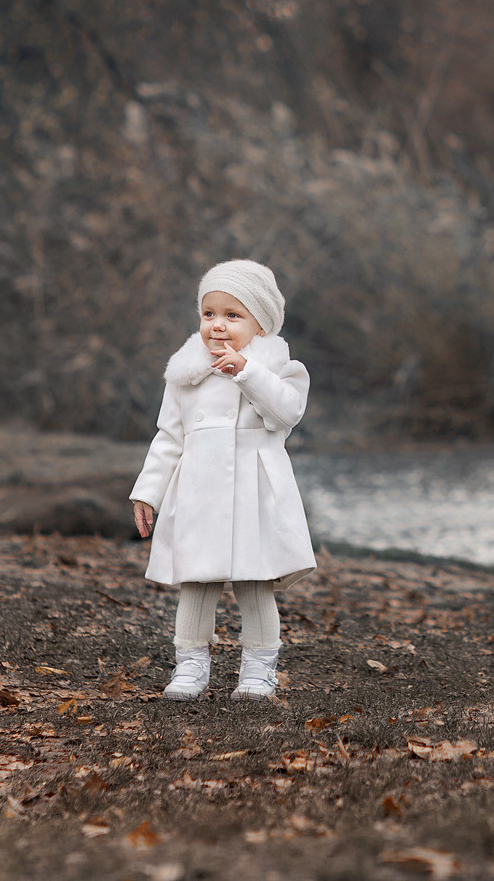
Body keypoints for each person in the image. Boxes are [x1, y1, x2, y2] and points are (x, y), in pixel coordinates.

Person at [130, 260, 316, 700]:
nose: (217, 325)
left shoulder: (279, 369)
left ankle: (258, 670)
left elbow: (286, 414)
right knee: (197, 582)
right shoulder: (186, 375)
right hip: (199, 491)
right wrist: (148, 492)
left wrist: (247, 372)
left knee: (255, 581)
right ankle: (190, 666)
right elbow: (169, 437)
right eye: (209, 313)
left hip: (256, 493)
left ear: (261, 325)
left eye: (233, 315)